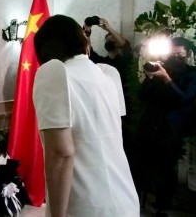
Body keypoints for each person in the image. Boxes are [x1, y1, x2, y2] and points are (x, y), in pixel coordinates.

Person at [32, 14, 139, 217]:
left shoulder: (54, 74)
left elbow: (61, 154)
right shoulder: (107, 75)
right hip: (126, 198)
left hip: (86, 204)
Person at [133, 37, 196, 217]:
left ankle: (163, 208)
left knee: (165, 170)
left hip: (171, 129)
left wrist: (166, 79)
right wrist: (149, 77)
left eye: (180, 54)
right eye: (173, 53)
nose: (176, 57)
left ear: (187, 53)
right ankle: (135, 202)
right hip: (149, 125)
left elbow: (183, 98)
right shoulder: (161, 68)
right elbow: (142, 96)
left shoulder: (192, 74)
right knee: (139, 164)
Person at [84, 18, 134, 154]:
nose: (108, 41)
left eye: (112, 40)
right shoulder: (101, 62)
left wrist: (108, 29)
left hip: (125, 111)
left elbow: (126, 46)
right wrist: (87, 30)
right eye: (106, 40)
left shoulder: (126, 61)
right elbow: (88, 51)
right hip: (103, 108)